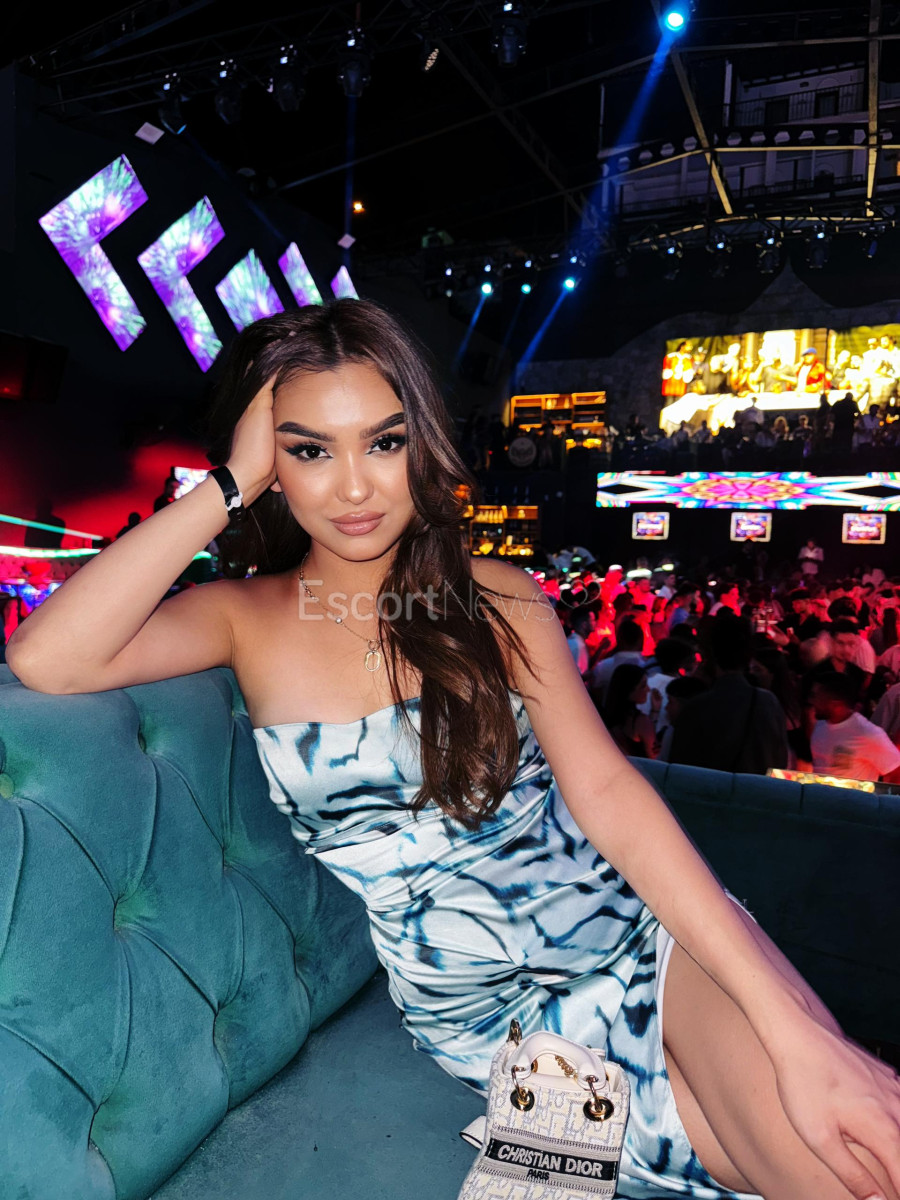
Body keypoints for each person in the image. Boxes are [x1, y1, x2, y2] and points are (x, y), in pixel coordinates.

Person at [7, 301, 900, 1200]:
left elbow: (606, 792)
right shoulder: (243, 617)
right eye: (310, 451)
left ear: (421, 443)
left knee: (847, 1143)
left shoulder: (500, 597)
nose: (353, 488)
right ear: (273, 464)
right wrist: (229, 482)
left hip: (636, 931)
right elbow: (47, 656)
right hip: (493, 1016)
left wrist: (791, 1025)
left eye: (383, 442)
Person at [668, 614, 789, 775]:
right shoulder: (768, 703)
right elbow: (780, 760)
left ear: (710, 654)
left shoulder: (696, 708)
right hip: (756, 788)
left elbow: (680, 769)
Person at [810, 673, 900, 783]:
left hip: (853, 794)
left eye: (818, 698)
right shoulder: (820, 725)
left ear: (836, 705)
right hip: (818, 793)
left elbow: (896, 770)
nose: (812, 701)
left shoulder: (868, 734)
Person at [601, 663, 658, 759]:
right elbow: (654, 758)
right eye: (643, 686)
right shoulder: (640, 721)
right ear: (628, 690)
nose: (648, 689)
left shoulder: (603, 718)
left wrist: (654, 711)